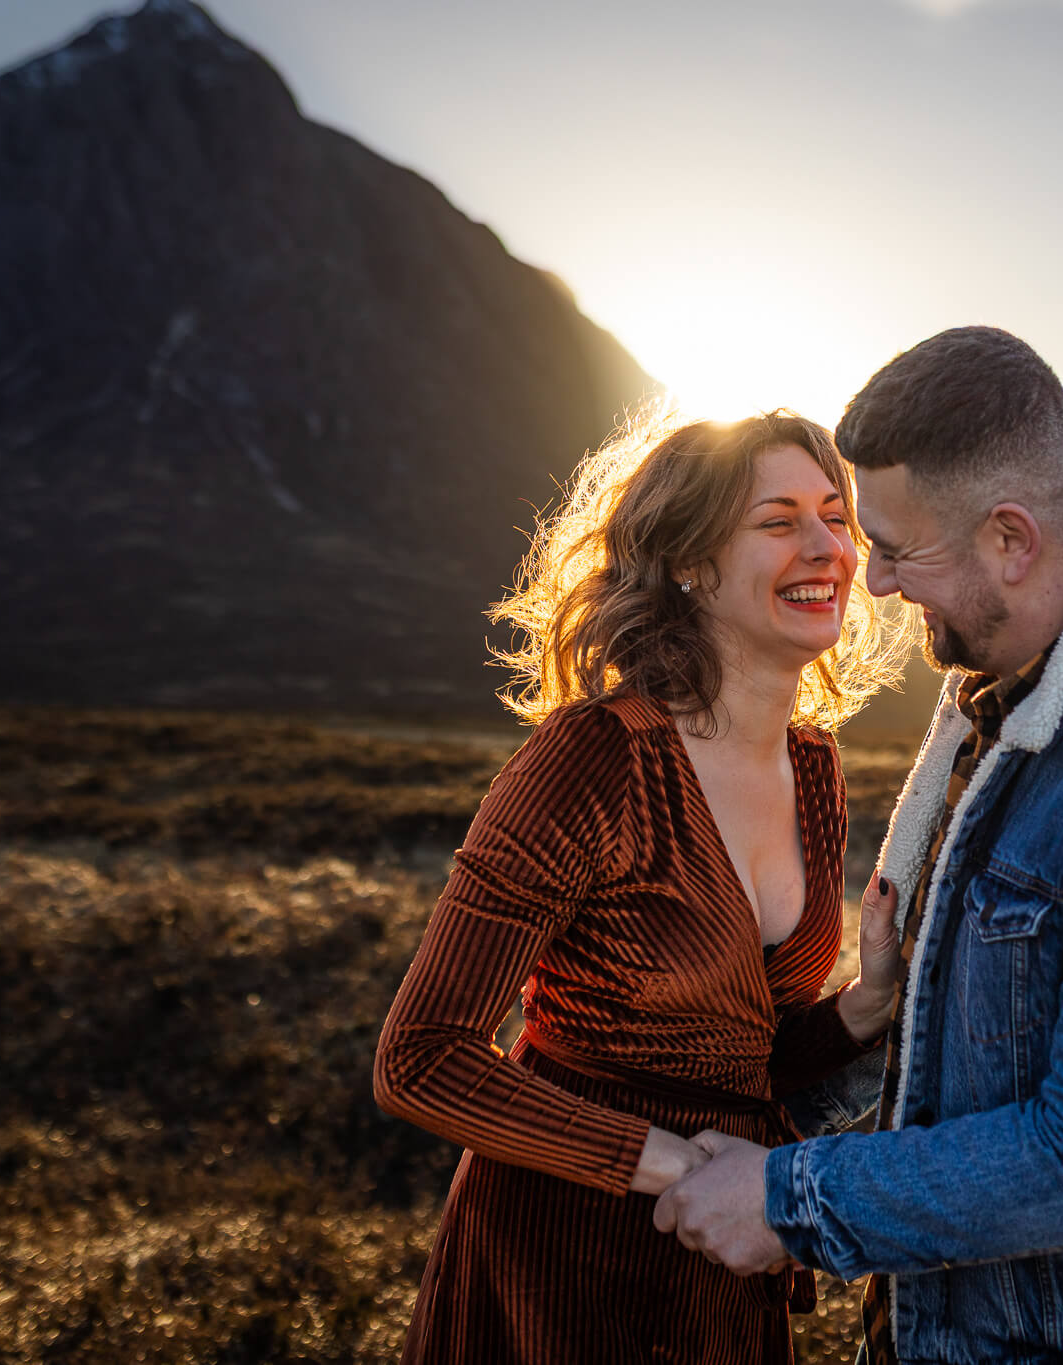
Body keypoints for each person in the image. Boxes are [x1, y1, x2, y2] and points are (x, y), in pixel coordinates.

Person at [655, 328, 1063, 1365]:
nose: (869, 580)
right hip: (960, 1325)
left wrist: (790, 1199)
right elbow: (983, 1062)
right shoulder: (999, 684)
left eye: (893, 547)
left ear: (1009, 541)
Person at [372, 407, 906, 1365]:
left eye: (837, 516)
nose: (828, 545)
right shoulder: (592, 759)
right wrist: (662, 1164)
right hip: (560, 1265)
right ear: (692, 562)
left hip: (724, 1259)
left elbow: (740, 1058)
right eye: (779, 521)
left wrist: (858, 1011)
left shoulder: (815, 768)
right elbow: (421, 1057)